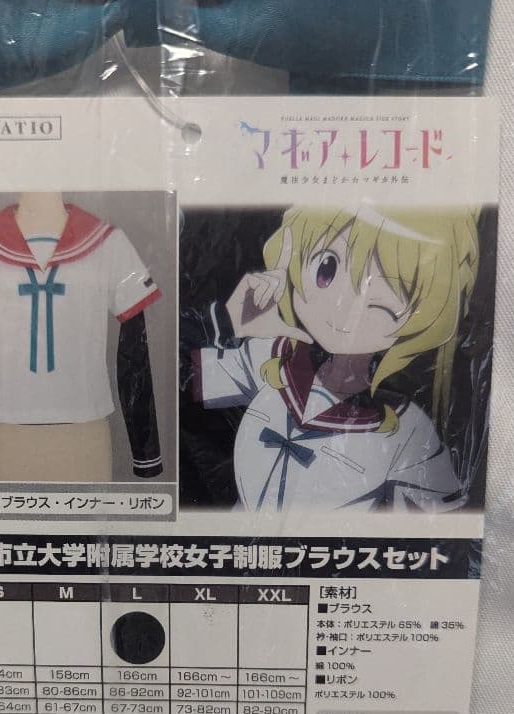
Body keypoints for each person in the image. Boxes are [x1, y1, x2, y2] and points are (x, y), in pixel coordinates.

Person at [187, 203, 480, 512]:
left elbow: (441, 525)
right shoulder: (273, 357)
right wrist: (230, 322)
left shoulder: (406, 429)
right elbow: (177, 383)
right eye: (326, 270)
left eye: (382, 304)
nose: (345, 309)